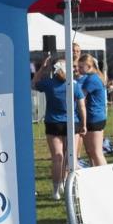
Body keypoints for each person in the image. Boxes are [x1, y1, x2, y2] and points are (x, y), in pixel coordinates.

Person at [33, 56, 86, 199]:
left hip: (53, 123)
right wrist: (84, 124)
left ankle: (56, 190)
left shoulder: (48, 84)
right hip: (72, 123)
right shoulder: (74, 85)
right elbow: (81, 106)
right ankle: (71, 188)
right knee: (71, 158)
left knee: (57, 157)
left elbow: (33, 84)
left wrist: (42, 68)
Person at [76, 54, 108, 168]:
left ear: (89, 66)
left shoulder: (92, 79)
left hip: (95, 118)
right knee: (90, 152)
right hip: (94, 117)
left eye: (81, 67)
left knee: (96, 152)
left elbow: (80, 96)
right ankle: (95, 173)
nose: (78, 69)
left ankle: (105, 174)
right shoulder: (92, 77)